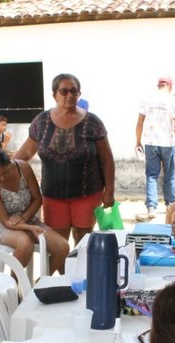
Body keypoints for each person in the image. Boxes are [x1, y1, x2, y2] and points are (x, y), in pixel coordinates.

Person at [15, 73, 115, 245]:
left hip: (87, 193)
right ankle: (63, 273)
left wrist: (110, 191)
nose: (69, 95)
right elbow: (23, 155)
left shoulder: (93, 123)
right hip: (53, 195)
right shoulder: (41, 122)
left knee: (83, 242)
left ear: (79, 94)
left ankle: (82, 272)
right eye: (64, 91)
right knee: (58, 244)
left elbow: (107, 160)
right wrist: (3, 174)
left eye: (74, 91)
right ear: (54, 95)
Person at [0, 140, 69, 274]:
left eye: (6, 172)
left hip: (28, 219)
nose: (3, 178)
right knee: (25, 243)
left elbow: (37, 199)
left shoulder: (23, 167)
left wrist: (24, 218)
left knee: (62, 247)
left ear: (10, 161)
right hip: (1, 225)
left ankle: (41, 285)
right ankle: (15, 286)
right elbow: (6, 221)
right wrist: (30, 227)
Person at [135, 75, 175, 220]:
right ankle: (171, 205)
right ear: (170, 86)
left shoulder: (147, 98)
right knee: (169, 174)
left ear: (159, 86)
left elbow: (139, 123)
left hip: (150, 142)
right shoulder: (174, 100)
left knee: (151, 175)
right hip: (168, 143)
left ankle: (151, 207)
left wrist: (138, 141)